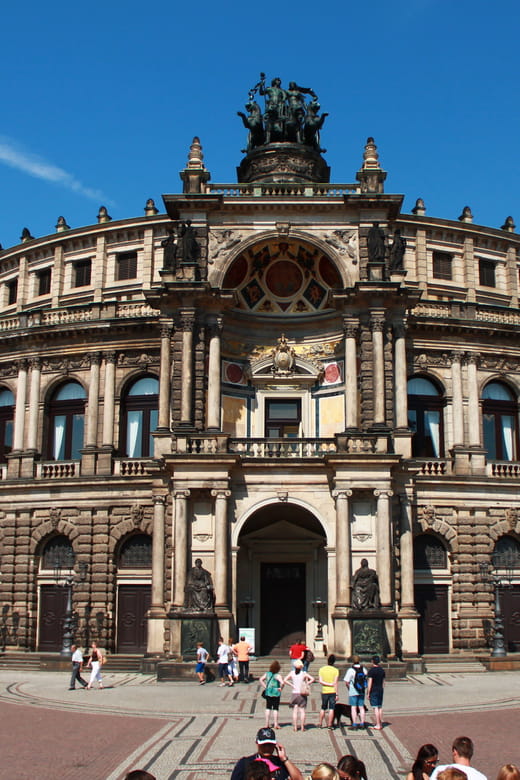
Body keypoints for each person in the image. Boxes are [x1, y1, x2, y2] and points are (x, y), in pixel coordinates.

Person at [230, 727, 304, 780]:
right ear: (257, 743)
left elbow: (299, 779)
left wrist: (285, 759)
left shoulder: (280, 763)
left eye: (270, 745)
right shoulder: (245, 763)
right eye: (264, 745)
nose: (267, 748)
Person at [283, 659, 314, 731]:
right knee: (302, 711)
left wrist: (291, 685)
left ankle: (295, 727)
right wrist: (307, 683)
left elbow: (285, 679)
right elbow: (312, 679)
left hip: (294, 693)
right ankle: (302, 727)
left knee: (295, 711)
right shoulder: (304, 673)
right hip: (302, 693)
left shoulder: (292, 673)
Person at [344, 655, 368, 729]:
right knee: (361, 707)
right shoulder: (363, 669)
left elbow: (346, 681)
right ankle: (362, 723)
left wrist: (349, 688)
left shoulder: (350, 670)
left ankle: (354, 723)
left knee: (353, 708)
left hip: (353, 690)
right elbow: (366, 677)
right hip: (361, 690)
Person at [260, 660, 285, 729]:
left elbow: (261, 679)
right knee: (275, 708)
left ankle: (266, 723)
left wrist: (265, 686)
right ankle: (276, 724)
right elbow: (282, 683)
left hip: (268, 692)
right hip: (276, 693)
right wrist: (281, 688)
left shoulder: (267, 674)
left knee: (268, 707)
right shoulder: (277, 675)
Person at [318, 654, 339, 729]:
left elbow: (320, 681)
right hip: (332, 691)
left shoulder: (322, 669)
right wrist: (337, 694)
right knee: (331, 708)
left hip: (324, 691)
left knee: (323, 707)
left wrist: (327, 684)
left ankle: (320, 723)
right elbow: (336, 683)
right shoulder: (335, 670)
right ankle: (330, 724)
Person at [367, 654, 385, 729]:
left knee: (375, 708)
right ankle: (380, 722)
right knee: (380, 707)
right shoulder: (382, 670)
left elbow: (370, 682)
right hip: (380, 689)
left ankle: (378, 724)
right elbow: (384, 682)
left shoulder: (371, 671)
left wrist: (368, 692)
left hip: (374, 690)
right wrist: (382, 688)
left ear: (372, 661)